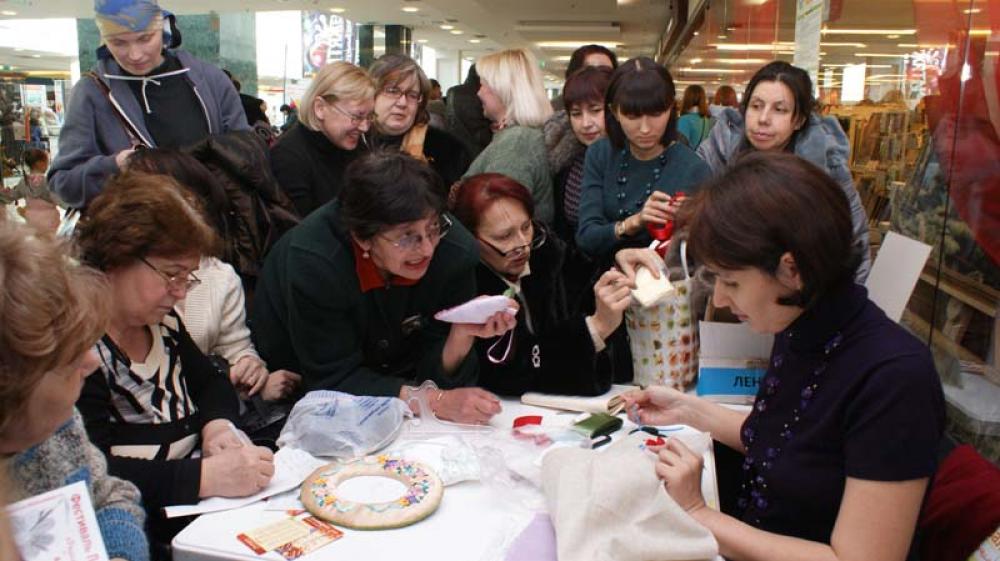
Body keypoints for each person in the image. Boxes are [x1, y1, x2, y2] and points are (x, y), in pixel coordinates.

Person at [622, 152, 943, 561]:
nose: (719, 299)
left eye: (731, 282)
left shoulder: (895, 379)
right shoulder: (799, 322)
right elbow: (783, 441)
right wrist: (687, 409)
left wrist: (697, 513)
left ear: (792, 270)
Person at [75, 172, 275, 542]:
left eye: (187, 277)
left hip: (204, 515)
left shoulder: (162, 325)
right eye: (172, 275)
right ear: (118, 257)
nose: (180, 292)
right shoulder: (80, 353)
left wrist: (217, 427)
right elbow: (93, 471)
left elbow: (211, 383)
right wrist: (205, 477)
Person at [252, 150, 516, 425]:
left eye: (433, 227)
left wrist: (460, 334)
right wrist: (432, 401)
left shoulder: (453, 251)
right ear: (363, 237)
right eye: (407, 237)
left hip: (395, 370)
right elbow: (332, 379)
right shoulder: (315, 262)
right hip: (298, 376)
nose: (427, 248)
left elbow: (435, 364)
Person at [0, 218, 149, 561]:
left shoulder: (60, 430)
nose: (92, 362)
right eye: (70, 358)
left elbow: (110, 495)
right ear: (15, 384)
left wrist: (121, 553)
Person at [126, 149, 301, 438]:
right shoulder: (120, 297)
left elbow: (233, 350)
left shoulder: (217, 276)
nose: (179, 290)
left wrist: (249, 368)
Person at [48, 0, 248, 208]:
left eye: (145, 38)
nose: (135, 55)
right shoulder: (91, 92)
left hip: (213, 221)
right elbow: (62, 184)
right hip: (138, 225)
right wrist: (116, 167)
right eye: (118, 43)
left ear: (163, 28)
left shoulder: (211, 80)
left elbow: (247, 158)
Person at [451, 173, 630, 396]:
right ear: (470, 239)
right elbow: (508, 374)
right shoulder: (465, 286)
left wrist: (618, 269)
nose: (522, 245)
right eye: (504, 237)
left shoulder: (546, 249)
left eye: (526, 226)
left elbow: (588, 280)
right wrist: (596, 328)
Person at [697, 61, 871, 282]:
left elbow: (854, 239)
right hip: (727, 286)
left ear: (798, 120)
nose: (763, 119)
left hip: (802, 290)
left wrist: (845, 299)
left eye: (779, 110)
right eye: (756, 106)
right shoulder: (720, 149)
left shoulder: (824, 166)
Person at [575, 57, 712, 263]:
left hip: (667, 278)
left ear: (671, 109)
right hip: (608, 277)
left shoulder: (695, 169)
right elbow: (586, 238)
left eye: (656, 114)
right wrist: (632, 223)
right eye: (632, 116)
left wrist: (689, 223)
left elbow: (708, 249)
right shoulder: (600, 154)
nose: (645, 128)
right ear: (614, 112)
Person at [543, 65, 613, 307]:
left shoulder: (630, 161)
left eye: (595, 110)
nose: (586, 123)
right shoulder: (565, 161)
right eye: (576, 114)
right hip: (577, 286)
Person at [270, 61, 374, 217]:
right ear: (320, 108)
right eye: (357, 117)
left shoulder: (353, 147)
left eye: (370, 117)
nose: (364, 127)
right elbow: (300, 227)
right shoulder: (288, 157)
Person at [465, 49, 555, 224]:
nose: (478, 93)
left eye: (483, 84)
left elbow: (499, 220)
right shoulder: (520, 136)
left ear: (503, 89)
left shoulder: (516, 143)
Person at [366, 54, 471, 193]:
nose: (402, 103)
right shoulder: (351, 143)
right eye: (392, 91)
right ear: (371, 93)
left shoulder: (447, 150)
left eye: (412, 95)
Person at [551, 44, 619, 111]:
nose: (600, 77)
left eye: (606, 72)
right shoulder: (555, 110)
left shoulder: (620, 107)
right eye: (591, 72)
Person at [446, 65, 493, 158]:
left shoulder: (452, 91)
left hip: (454, 145)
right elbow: (480, 128)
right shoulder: (480, 93)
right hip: (478, 149)